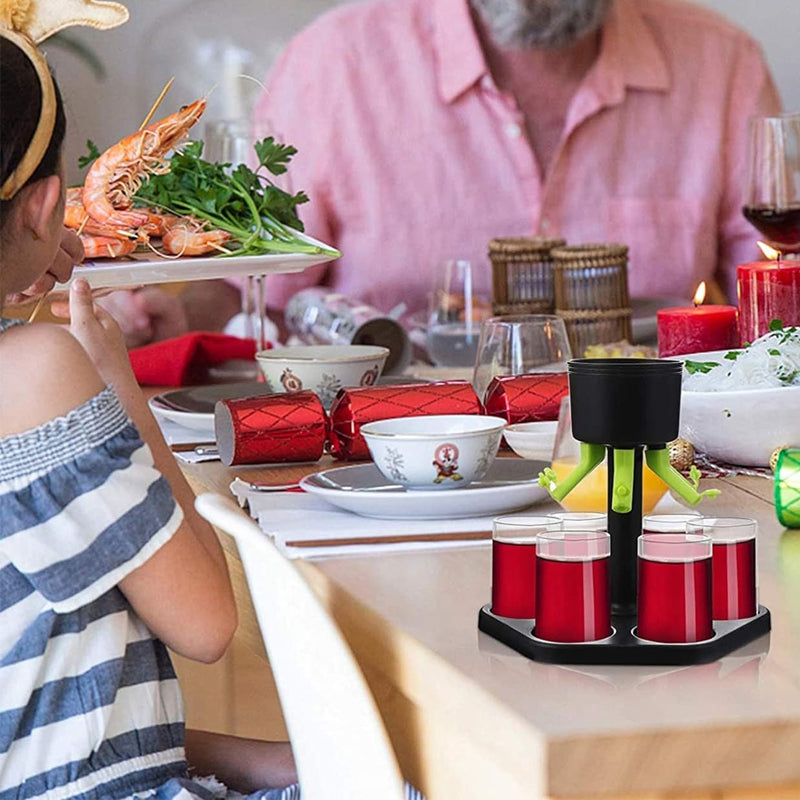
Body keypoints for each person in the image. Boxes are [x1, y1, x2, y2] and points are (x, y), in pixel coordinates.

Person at [102, 0, 780, 346]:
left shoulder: (721, 63)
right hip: (386, 457)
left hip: (653, 453)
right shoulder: (336, 63)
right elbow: (252, 286)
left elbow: (779, 295)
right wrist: (171, 311)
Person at [0, 31, 299, 799]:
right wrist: (116, 380)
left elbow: (40, 731)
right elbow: (208, 625)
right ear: (46, 204)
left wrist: (274, 761)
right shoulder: (36, 374)